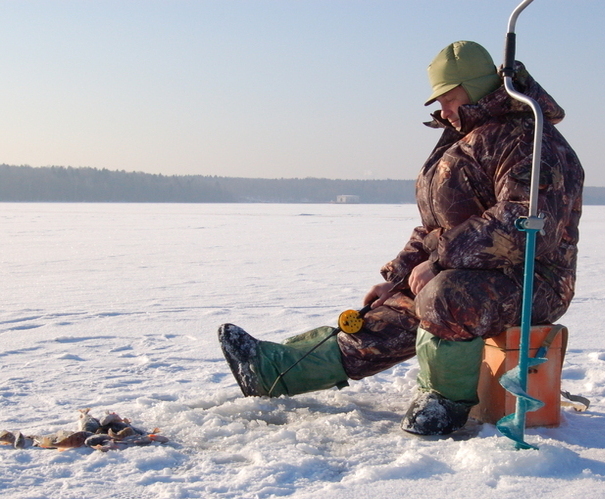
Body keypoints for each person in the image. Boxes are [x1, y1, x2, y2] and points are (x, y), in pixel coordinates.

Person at [219, 40, 584, 436]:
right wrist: (397, 277)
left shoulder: (528, 139)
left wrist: (440, 262)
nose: (440, 109)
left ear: (475, 88)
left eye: (447, 98)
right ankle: (274, 371)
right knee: (387, 314)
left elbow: (524, 226)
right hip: (468, 269)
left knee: (445, 296)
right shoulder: (465, 136)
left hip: (533, 281)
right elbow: (434, 227)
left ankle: (444, 403)